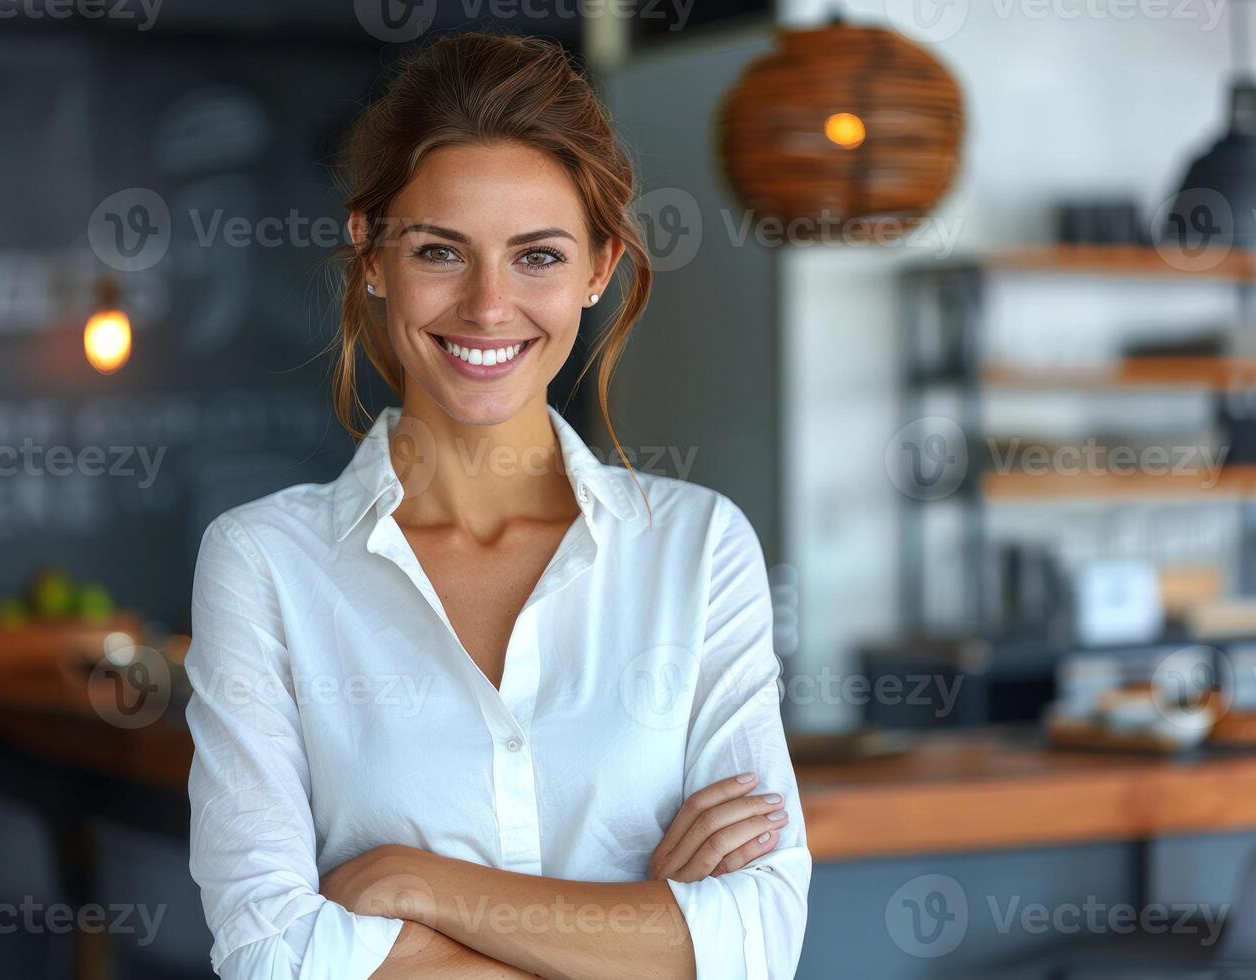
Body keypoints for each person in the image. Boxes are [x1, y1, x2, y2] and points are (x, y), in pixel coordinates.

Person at [184, 29, 810, 979]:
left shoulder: (696, 547)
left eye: (538, 256)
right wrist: (641, 937)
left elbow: (758, 939)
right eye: (441, 251)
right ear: (371, 255)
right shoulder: (264, 562)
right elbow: (273, 955)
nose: (487, 306)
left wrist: (414, 883)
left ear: (599, 267)